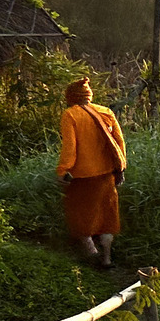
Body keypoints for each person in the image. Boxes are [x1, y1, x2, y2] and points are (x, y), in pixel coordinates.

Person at [57, 77, 127, 269]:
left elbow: (70, 148)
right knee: (107, 218)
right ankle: (106, 258)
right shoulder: (106, 112)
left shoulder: (70, 115)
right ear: (89, 95)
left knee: (81, 215)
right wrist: (120, 168)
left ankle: (91, 254)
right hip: (107, 175)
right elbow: (119, 143)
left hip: (83, 177)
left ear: (70, 97)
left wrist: (63, 170)